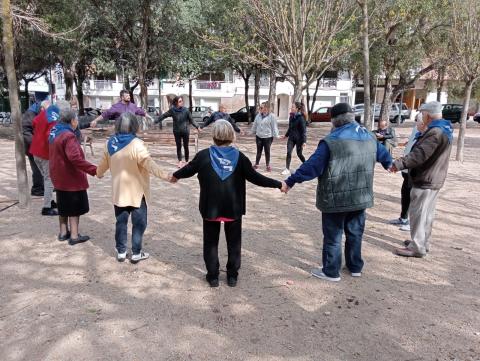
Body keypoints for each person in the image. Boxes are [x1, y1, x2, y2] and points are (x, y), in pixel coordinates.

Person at [281, 103, 392, 282]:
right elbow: (385, 156)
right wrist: (390, 164)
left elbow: (312, 166)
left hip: (335, 198)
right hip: (360, 197)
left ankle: (331, 271)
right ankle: (355, 266)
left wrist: (291, 181)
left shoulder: (331, 141)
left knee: (333, 236)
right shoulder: (369, 136)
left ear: (334, 121)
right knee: (355, 233)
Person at [170, 120, 282, 287]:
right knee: (234, 243)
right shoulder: (240, 157)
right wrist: (279, 184)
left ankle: (213, 276)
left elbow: (188, 169)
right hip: (233, 208)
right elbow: (257, 178)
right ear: (231, 136)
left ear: (214, 136)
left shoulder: (203, 155)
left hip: (211, 208)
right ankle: (232, 276)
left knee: (210, 243)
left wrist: (175, 175)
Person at [97, 112, 170, 263]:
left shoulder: (110, 143)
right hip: (137, 193)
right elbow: (149, 163)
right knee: (139, 223)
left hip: (119, 192)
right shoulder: (137, 144)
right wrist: (166, 176)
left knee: (121, 222)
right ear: (134, 126)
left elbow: (102, 166)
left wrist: (98, 173)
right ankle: (136, 252)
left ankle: (121, 251)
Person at [390, 101, 453, 257]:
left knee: (418, 214)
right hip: (433, 178)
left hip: (426, 178)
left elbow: (419, 155)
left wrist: (398, 164)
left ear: (428, 115)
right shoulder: (445, 129)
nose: (421, 117)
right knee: (427, 214)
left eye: (423, 114)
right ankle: (422, 242)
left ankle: (417, 247)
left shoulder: (435, 132)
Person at [48, 108, 97, 246]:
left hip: (58, 175)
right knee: (74, 206)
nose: (77, 122)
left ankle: (63, 232)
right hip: (70, 177)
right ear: (72, 121)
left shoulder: (54, 131)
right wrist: (93, 169)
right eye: (76, 119)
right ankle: (74, 235)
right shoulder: (68, 136)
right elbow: (75, 158)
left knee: (63, 204)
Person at [388, 113, 427, 231]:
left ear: (424, 122)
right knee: (405, 193)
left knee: (415, 197)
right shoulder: (417, 129)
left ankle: (411, 223)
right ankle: (403, 218)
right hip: (407, 168)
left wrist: (398, 164)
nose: (416, 124)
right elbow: (411, 146)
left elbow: (419, 154)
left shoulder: (429, 134)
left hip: (416, 170)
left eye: (418, 122)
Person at [29, 100, 62, 216]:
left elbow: (34, 123)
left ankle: (50, 201)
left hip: (35, 152)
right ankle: (46, 207)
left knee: (46, 178)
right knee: (49, 179)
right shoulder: (53, 116)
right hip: (45, 153)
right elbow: (50, 134)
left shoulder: (40, 115)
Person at [156, 96, 200, 167]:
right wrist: (156, 121)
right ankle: (180, 161)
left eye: (182, 101)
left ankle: (186, 161)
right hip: (176, 131)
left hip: (185, 131)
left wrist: (197, 126)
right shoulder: (172, 110)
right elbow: (164, 116)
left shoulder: (186, 110)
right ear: (176, 102)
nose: (181, 102)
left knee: (186, 146)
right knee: (178, 146)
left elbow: (192, 120)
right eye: (179, 101)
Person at [22, 102, 44, 196]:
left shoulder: (39, 112)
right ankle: (37, 189)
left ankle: (45, 186)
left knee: (45, 167)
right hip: (32, 147)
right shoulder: (30, 114)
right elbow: (26, 132)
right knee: (37, 168)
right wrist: (36, 144)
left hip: (40, 146)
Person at [251, 102, 279, 172]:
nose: (260, 109)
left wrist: (277, 135)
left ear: (266, 108)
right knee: (259, 151)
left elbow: (274, 127)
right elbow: (254, 125)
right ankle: (256, 164)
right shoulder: (258, 116)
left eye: (261, 108)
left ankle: (268, 165)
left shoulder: (272, 116)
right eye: (260, 108)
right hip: (259, 136)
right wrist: (251, 132)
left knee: (267, 151)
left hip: (268, 137)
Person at [281, 102, 307, 176]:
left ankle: (307, 165)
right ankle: (287, 169)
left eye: (292, 107)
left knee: (299, 154)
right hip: (291, 138)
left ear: (297, 109)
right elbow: (290, 128)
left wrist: (304, 141)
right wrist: (286, 136)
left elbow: (303, 131)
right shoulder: (291, 117)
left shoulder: (301, 118)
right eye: (291, 107)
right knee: (289, 152)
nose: (291, 108)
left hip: (299, 139)